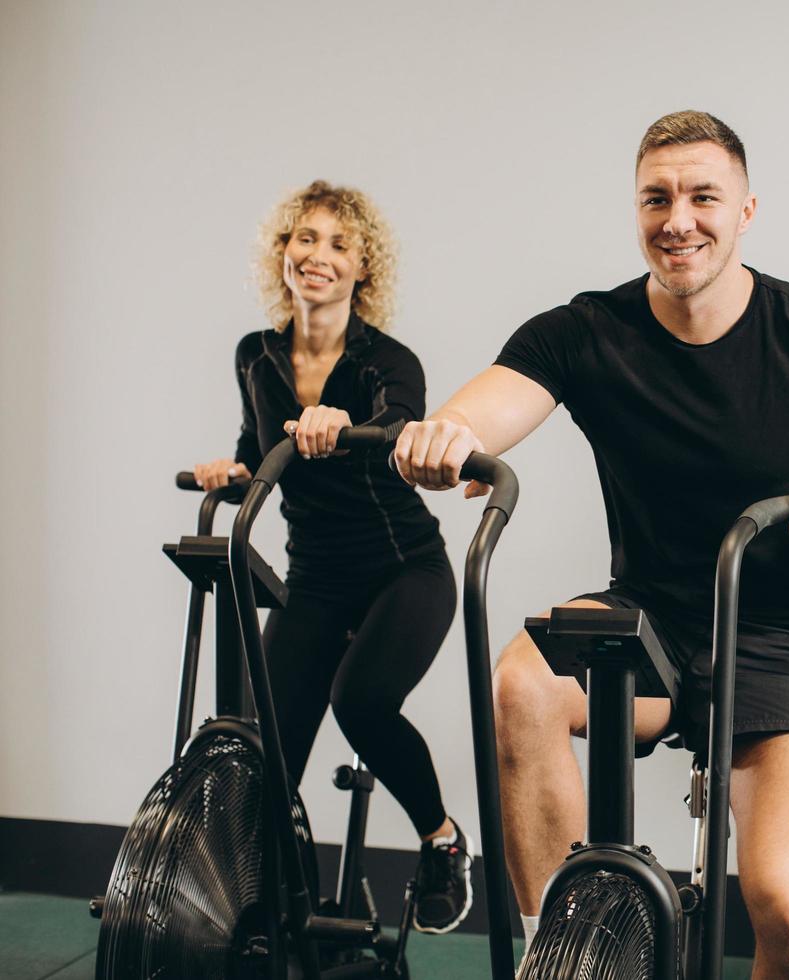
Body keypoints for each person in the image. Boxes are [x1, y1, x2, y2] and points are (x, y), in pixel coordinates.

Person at [394, 110, 789, 978]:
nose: (680, 219)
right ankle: (565, 958)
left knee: (785, 904)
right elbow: (483, 409)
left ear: (746, 211)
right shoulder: (585, 330)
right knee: (523, 682)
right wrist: (443, 436)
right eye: (657, 198)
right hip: (651, 629)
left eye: (704, 196)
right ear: (636, 212)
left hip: (781, 637)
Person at [192, 180, 473, 934]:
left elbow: (398, 420)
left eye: (339, 245)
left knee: (361, 703)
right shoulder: (256, 357)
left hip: (403, 569)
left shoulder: (386, 359)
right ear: (282, 254)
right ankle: (288, 909)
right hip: (314, 578)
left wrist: (344, 421)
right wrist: (236, 470)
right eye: (305, 239)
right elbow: (262, 453)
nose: (318, 256)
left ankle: (442, 843)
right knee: (265, 750)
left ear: (361, 271)